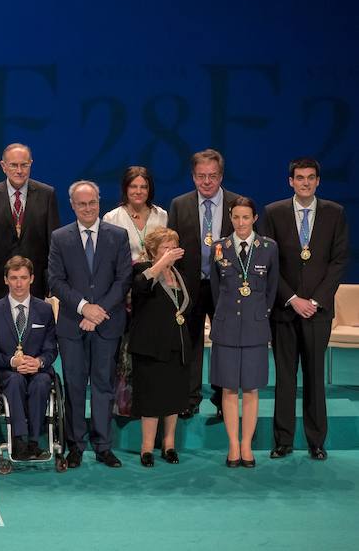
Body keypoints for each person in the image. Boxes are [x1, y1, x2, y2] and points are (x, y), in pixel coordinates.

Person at [259, 158, 349, 461]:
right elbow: (269, 262)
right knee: (285, 377)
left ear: (318, 181)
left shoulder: (335, 213)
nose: (306, 183)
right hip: (285, 310)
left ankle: (316, 441)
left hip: (318, 312)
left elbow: (338, 261)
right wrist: (292, 299)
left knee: (314, 376)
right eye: (300, 178)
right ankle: (283, 441)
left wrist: (315, 301)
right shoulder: (273, 213)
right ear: (290, 182)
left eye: (311, 178)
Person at [49, 180, 132, 468]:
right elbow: (55, 280)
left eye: (92, 202)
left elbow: (123, 280)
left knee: (103, 385)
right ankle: (76, 445)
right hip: (73, 324)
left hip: (107, 323)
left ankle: (103, 445)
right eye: (82, 204)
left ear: (99, 202)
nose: (88, 208)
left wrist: (99, 311)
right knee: (74, 385)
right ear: (72, 205)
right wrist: (84, 308)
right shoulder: (60, 238)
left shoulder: (117, 236)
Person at [167, 149, 241, 419]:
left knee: (225, 344)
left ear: (221, 176)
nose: (206, 182)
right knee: (191, 343)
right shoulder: (180, 204)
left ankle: (224, 399)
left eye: (212, 176)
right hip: (191, 287)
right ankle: (189, 398)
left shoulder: (237, 204)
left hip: (226, 288)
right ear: (193, 176)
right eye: (201, 176)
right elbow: (172, 246)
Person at [209, 197, 278, 468]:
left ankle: (247, 446)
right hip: (226, 328)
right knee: (228, 389)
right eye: (236, 217)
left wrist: (258, 316)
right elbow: (216, 290)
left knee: (250, 390)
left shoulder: (269, 248)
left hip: (255, 328)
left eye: (245, 218)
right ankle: (233, 446)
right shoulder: (219, 248)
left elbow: (271, 291)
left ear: (254, 218)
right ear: (230, 217)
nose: (240, 223)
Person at [103, 166, 169, 416]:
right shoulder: (112, 217)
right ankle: (122, 403)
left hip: (153, 291)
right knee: (123, 348)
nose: (139, 191)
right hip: (124, 291)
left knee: (148, 348)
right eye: (134, 186)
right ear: (125, 189)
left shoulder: (161, 215)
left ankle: (149, 401)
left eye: (143, 186)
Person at [0, 256, 57, 460]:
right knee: (15, 381)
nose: (18, 283)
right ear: (6, 279)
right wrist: (12, 362)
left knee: (42, 382)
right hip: (7, 371)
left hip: (38, 370)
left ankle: (34, 442)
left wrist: (39, 362)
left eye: (23, 277)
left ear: (32, 279)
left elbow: (51, 349)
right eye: (14, 277)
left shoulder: (45, 309)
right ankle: (19, 440)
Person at [128, 227, 191, 467]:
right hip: (151, 346)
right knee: (152, 399)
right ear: (153, 250)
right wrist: (160, 263)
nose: (170, 251)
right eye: (165, 247)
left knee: (173, 398)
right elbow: (139, 288)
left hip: (177, 344)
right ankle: (146, 448)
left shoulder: (179, 274)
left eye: (173, 246)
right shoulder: (143, 270)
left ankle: (169, 444)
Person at [0, 143, 60, 303]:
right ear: (3, 166)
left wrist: (52, 284)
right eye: (14, 165)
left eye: (24, 165)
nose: (19, 171)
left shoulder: (47, 194)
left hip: (36, 283)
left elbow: (54, 245)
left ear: (31, 164)